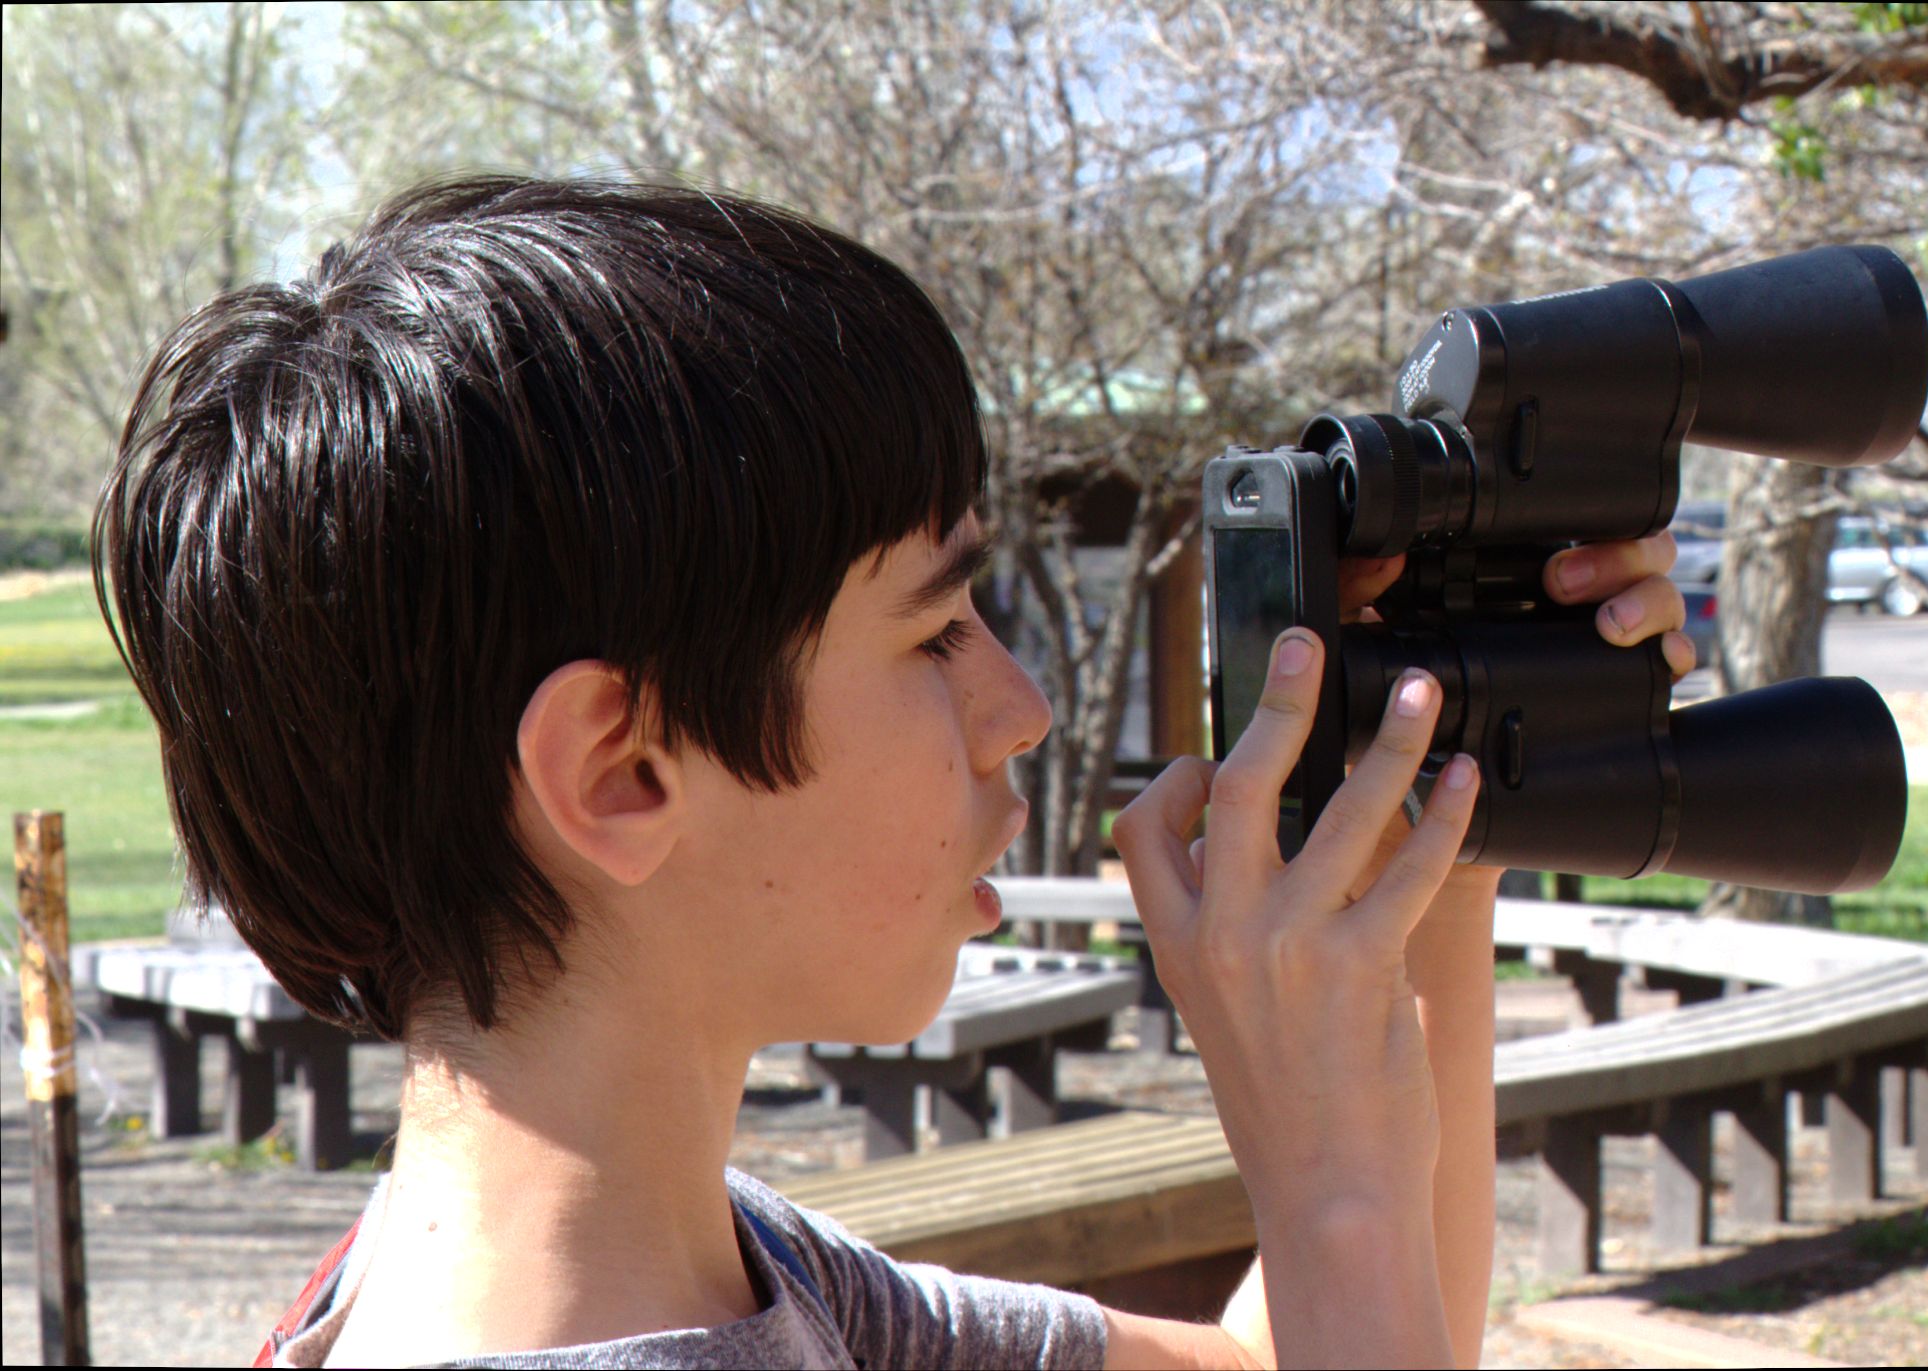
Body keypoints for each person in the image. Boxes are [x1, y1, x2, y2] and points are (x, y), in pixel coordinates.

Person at [95, 174, 1693, 1370]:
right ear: (624, 771)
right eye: (935, 633)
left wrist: (1435, 800)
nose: (1020, 710)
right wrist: (1331, 1191)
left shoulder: (732, 1271)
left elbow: (1314, 1350)